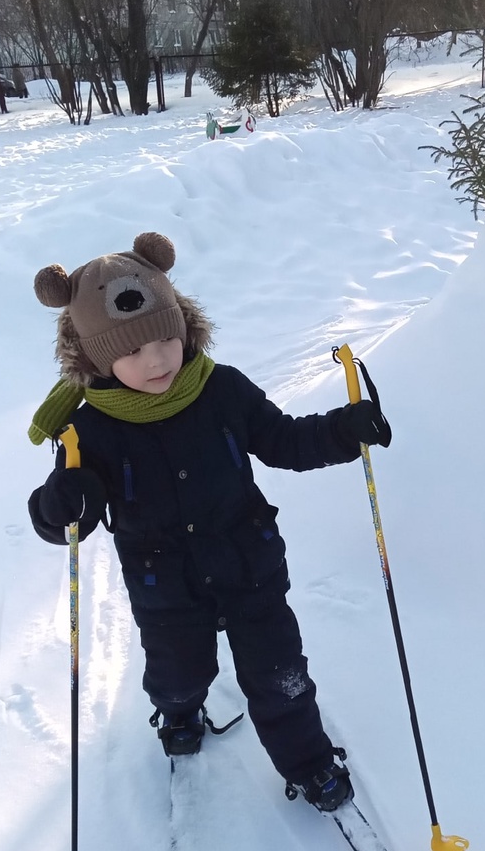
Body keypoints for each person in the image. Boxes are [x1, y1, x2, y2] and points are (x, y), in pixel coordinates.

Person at [27, 232, 391, 811]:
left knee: (280, 676)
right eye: (132, 350)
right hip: (164, 589)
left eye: (167, 338)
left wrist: (344, 432)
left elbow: (285, 440)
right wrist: (61, 503)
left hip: (250, 566)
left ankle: (310, 760)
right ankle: (178, 713)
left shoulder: (222, 389)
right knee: (178, 675)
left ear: (184, 326)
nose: (156, 359)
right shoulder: (89, 428)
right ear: (96, 357)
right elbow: (70, 515)